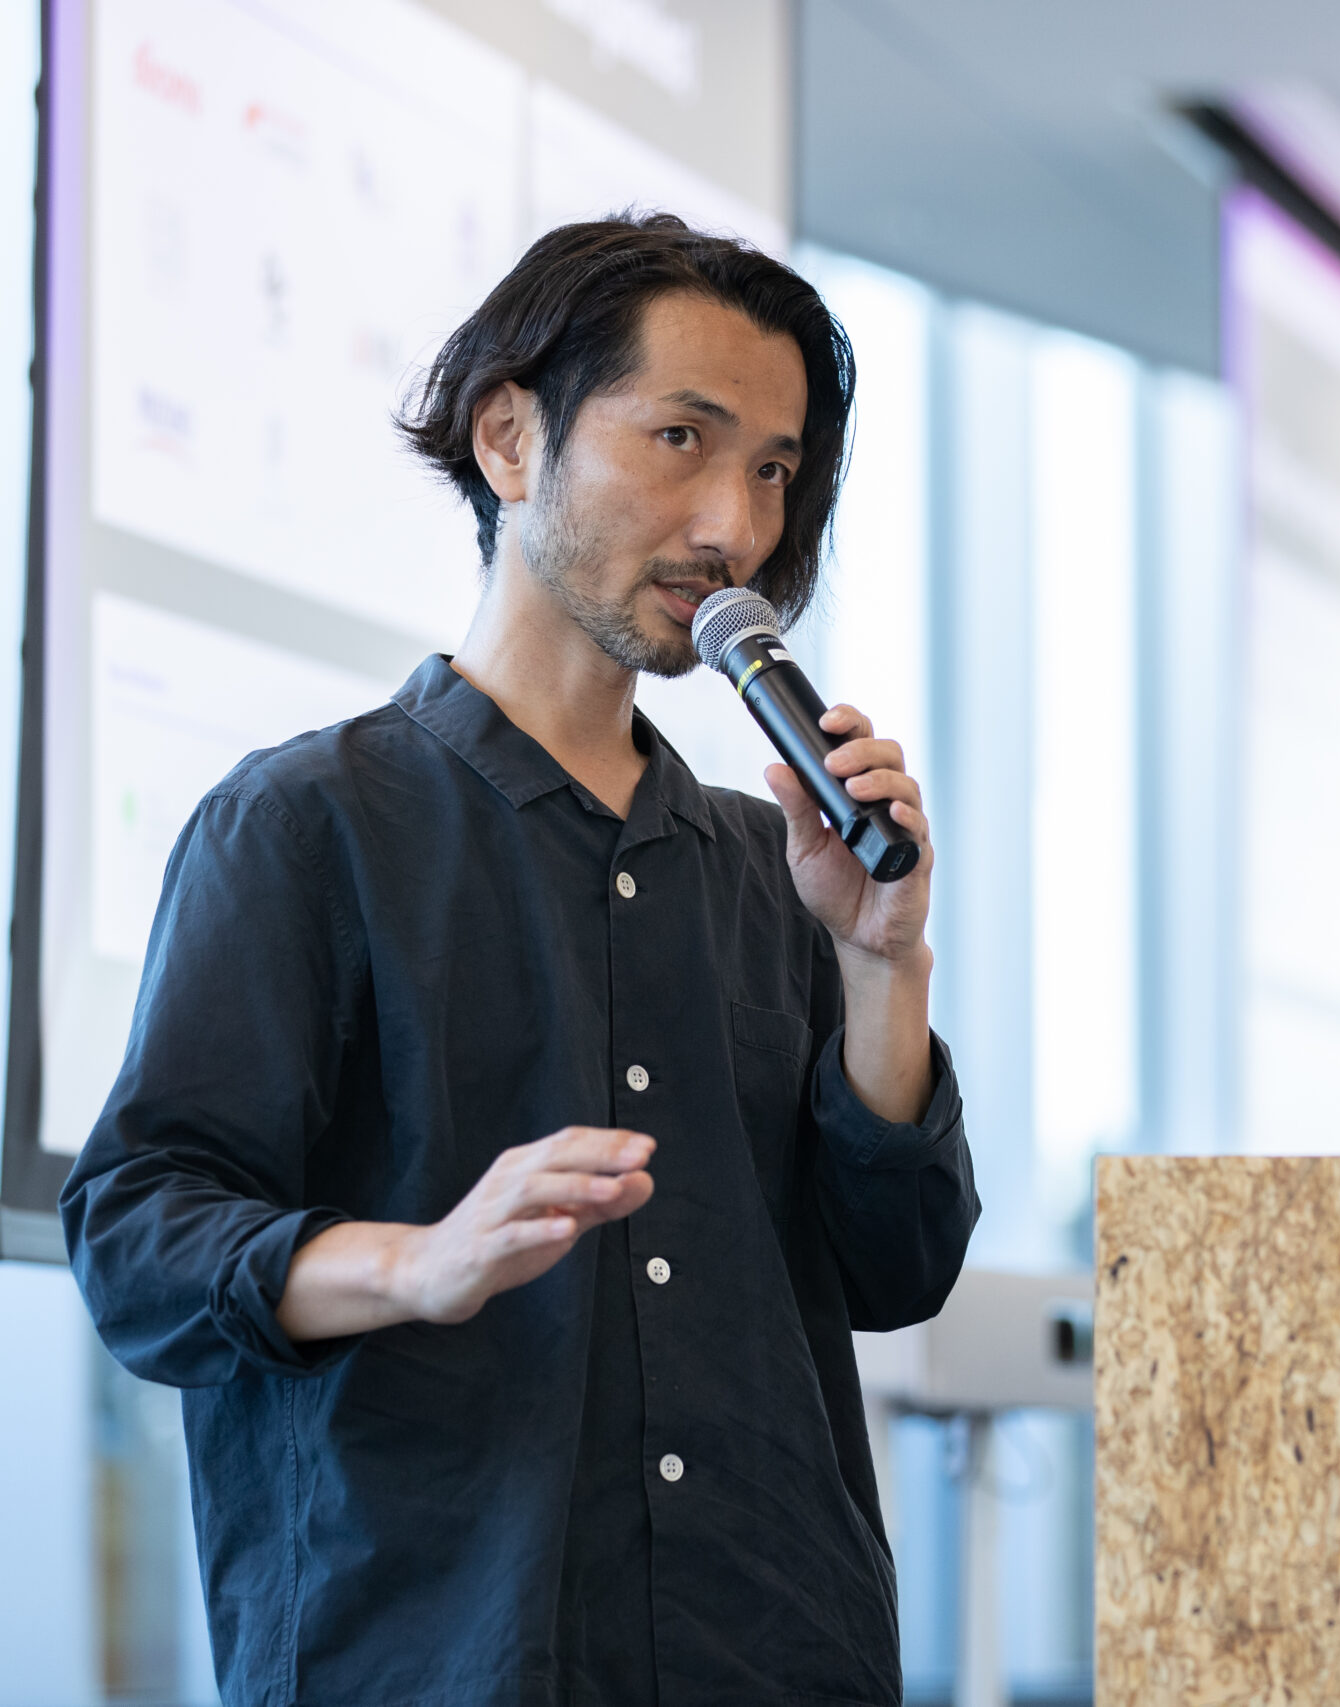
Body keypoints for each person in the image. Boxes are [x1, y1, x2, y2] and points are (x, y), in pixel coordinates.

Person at [62, 214, 977, 1707]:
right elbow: (135, 1241)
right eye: (682, 439)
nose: (733, 529)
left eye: (772, 471)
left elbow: (901, 1268)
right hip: (435, 1661)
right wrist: (417, 1263)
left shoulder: (775, 869)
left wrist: (884, 963)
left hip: (775, 1657)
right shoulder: (306, 825)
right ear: (509, 439)